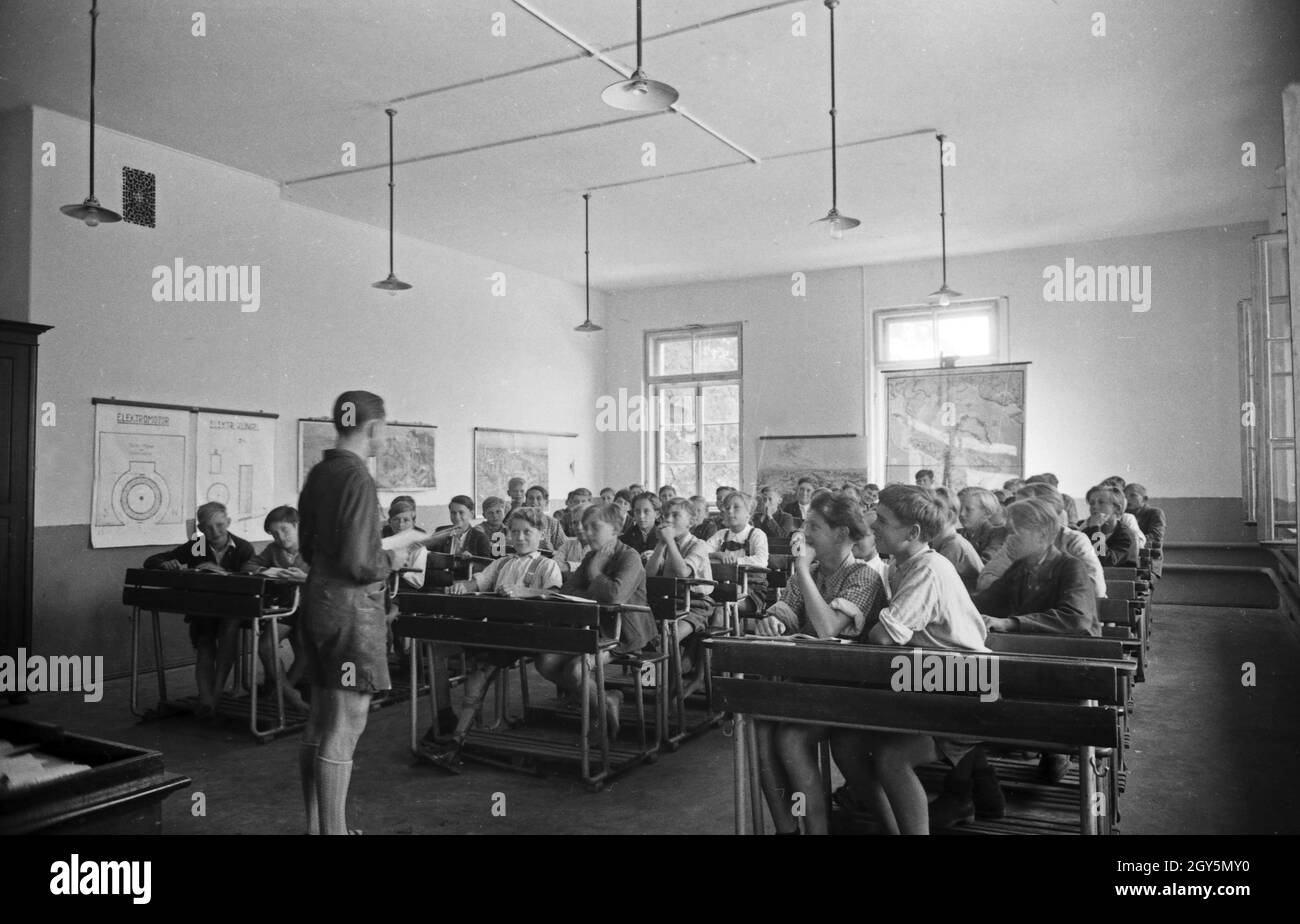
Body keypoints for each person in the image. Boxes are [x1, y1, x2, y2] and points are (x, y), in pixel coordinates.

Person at [829, 485, 989, 836]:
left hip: (966, 687)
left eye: (883, 521)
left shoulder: (928, 569)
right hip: (928, 682)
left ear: (913, 533)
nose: (873, 526)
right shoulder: (901, 564)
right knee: (845, 741)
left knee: (892, 757)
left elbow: (883, 636)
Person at [297, 390, 402, 835]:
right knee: (347, 719)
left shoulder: (320, 471)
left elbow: (305, 547)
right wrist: (391, 560)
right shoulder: (358, 477)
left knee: (320, 719)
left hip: (317, 602)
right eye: (385, 428)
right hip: (351, 611)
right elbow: (361, 563)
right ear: (374, 428)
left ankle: (317, 828)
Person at [752, 493, 885, 835]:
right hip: (813, 685)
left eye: (814, 526)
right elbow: (786, 610)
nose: (804, 532)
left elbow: (828, 629)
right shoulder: (809, 573)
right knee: (763, 730)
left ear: (841, 534)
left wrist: (799, 569)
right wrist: (773, 621)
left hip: (853, 690)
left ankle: (817, 830)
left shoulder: (863, 577)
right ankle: (787, 829)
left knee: (791, 738)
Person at [422, 506, 564, 772]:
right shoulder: (502, 563)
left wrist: (527, 591)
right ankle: (444, 717)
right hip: (493, 631)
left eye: (527, 532)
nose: (520, 538)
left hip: (523, 636)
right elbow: (479, 582)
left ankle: (457, 742)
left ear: (541, 534)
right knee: (437, 649)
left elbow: (553, 596)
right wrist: (463, 587)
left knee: (480, 670)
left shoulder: (547, 564)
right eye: (515, 532)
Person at [535, 503, 651, 746]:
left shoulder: (629, 557)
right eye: (584, 527)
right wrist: (596, 587)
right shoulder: (590, 556)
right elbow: (568, 590)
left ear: (616, 529)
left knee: (576, 670)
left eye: (594, 527)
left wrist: (597, 573)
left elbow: (616, 596)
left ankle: (600, 716)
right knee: (545, 663)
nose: (586, 533)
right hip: (593, 630)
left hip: (625, 633)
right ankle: (606, 699)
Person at [144, 500, 256, 719]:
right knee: (204, 643)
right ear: (201, 528)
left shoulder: (243, 548)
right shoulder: (197, 544)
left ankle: (215, 694)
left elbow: (249, 579)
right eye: (208, 527)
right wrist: (164, 564)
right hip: (204, 611)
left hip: (233, 612)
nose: (215, 532)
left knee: (229, 630)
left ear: (229, 522)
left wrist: (219, 571)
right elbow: (153, 560)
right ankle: (206, 699)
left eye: (220, 525)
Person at [977, 483, 1107, 598]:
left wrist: (1023, 589)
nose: (1016, 515)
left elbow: (1095, 588)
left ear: (1046, 511)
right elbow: (985, 579)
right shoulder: (1016, 540)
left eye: (1025, 509)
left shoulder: (1074, 540)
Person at [241, 504, 310, 712]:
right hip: (286, 609)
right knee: (265, 647)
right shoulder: (273, 550)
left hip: (312, 609)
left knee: (306, 651)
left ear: (298, 526)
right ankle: (290, 694)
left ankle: (281, 692)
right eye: (274, 533)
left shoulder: (316, 548)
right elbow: (248, 566)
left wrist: (306, 578)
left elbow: (332, 580)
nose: (280, 537)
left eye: (285, 530)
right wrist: (270, 571)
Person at [708, 490, 770, 618]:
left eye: (736, 507)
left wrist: (734, 561)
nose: (730, 511)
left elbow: (761, 560)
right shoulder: (721, 535)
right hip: (724, 587)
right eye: (727, 508)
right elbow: (702, 552)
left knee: (721, 606)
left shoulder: (757, 534)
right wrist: (717, 555)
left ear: (748, 512)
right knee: (708, 604)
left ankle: (718, 636)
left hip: (751, 592)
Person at [930, 495, 982, 594]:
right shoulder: (944, 541)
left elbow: (935, 584)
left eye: (933, 511)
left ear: (949, 516)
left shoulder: (953, 545)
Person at [1081, 485, 1140, 566]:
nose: (1094, 506)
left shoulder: (1126, 535)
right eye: (1092, 503)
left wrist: (1096, 529)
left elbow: (1106, 562)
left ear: (1117, 508)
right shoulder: (1086, 533)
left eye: (1101, 502)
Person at [382, 496, 427, 590]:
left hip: (405, 595)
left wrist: (401, 570)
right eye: (396, 520)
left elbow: (418, 582)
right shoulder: (382, 544)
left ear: (413, 523)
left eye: (406, 520)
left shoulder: (419, 548)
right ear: (389, 522)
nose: (400, 525)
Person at [1124, 482, 1166, 577]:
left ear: (1145, 499)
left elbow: (1155, 537)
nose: (1127, 499)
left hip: (1149, 561)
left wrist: (1130, 541)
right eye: (1125, 496)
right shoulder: (1124, 515)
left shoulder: (1155, 513)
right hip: (1126, 559)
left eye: (1133, 495)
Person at [958, 486, 1008, 563]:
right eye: (959, 508)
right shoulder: (957, 534)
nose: (961, 514)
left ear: (987, 512)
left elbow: (985, 565)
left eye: (968, 510)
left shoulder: (998, 535)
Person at [620, 491, 661, 556]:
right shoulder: (624, 539)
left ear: (657, 514)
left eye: (646, 511)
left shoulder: (665, 537)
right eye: (637, 511)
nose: (641, 516)